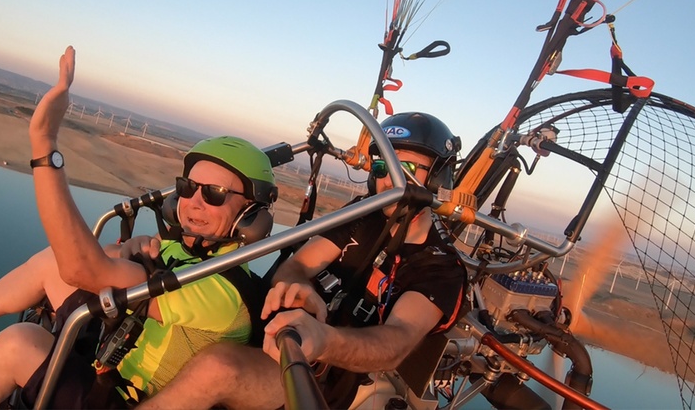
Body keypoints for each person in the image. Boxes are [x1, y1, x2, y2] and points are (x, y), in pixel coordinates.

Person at [0, 46, 279, 410]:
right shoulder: (187, 253)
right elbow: (84, 266)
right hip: (109, 352)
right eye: (188, 186)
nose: (194, 202)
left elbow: (83, 269)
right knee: (50, 265)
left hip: (122, 397)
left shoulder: (221, 292)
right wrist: (125, 253)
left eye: (216, 194)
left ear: (251, 214)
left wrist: (44, 147)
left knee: (22, 342)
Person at [141, 111, 468, 409]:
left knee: (217, 368)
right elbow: (295, 266)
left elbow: (398, 339)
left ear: (439, 180)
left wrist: (323, 340)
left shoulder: (439, 267)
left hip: (316, 378)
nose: (388, 181)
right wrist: (296, 287)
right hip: (270, 333)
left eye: (406, 169)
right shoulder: (363, 216)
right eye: (382, 167)